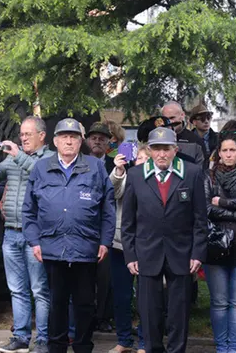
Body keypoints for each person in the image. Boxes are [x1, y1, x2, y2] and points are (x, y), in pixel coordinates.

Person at [23, 118, 115, 353]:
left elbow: (108, 209)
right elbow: (29, 210)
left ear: (80, 141)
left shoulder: (95, 168)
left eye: (73, 137)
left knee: (85, 303)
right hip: (52, 248)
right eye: (63, 136)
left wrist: (105, 241)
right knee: (57, 303)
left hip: (86, 248)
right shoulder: (41, 169)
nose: (68, 141)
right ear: (54, 141)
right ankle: (57, 348)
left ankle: (84, 347)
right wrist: (34, 241)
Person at [121, 127, 208, 353]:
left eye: (166, 149)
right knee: (150, 313)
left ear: (175, 150)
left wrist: (197, 253)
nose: (161, 154)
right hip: (146, 252)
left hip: (181, 253)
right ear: (149, 150)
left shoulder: (192, 172)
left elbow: (200, 219)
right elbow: (128, 221)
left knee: (179, 312)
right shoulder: (135, 175)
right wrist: (130, 255)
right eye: (157, 149)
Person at [0, 116, 54, 353]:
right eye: (21, 134)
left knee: (40, 290)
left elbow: (43, 176)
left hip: (36, 235)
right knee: (17, 289)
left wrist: (18, 156)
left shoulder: (49, 158)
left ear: (42, 136)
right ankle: (21, 338)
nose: (22, 138)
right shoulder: (14, 159)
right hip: (11, 232)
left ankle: (43, 340)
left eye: (27, 134)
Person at [204, 132, 236, 353]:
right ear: (219, 153)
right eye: (224, 150)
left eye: (233, 150)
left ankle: (234, 348)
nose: (229, 154)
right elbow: (206, 209)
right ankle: (221, 347)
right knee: (220, 302)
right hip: (216, 244)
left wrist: (222, 202)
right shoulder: (209, 177)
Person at [109, 145, 150, 353]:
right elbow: (113, 191)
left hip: (146, 247)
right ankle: (124, 340)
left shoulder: (155, 180)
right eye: (139, 158)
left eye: (146, 158)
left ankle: (144, 342)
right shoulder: (126, 176)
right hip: (120, 245)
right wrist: (118, 171)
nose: (141, 161)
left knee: (146, 297)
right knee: (122, 297)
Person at [85, 122, 116, 333]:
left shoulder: (117, 164)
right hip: (84, 229)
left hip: (108, 228)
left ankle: (103, 316)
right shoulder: (80, 162)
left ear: (108, 143)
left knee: (106, 278)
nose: (97, 141)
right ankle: (85, 316)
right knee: (84, 277)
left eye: (102, 138)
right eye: (93, 137)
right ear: (87, 141)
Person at [161, 101, 206, 167]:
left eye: (172, 118)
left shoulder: (196, 142)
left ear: (182, 115)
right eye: (166, 119)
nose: (169, 122)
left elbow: (201, 171)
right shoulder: (156, 140)